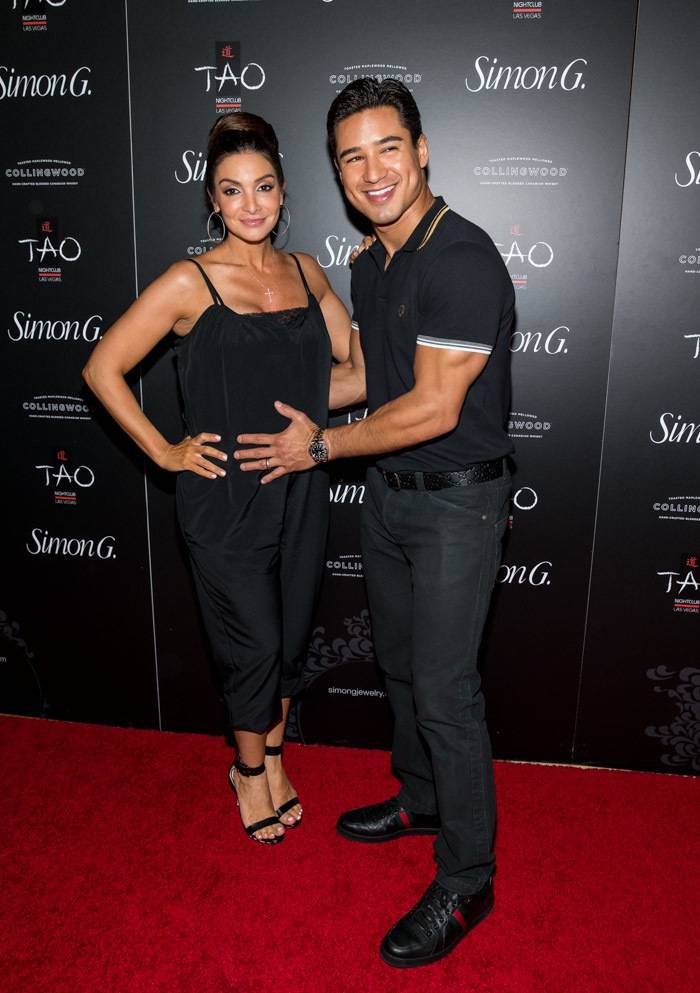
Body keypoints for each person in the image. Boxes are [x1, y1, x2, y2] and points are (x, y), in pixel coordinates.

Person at [233, 79, 514, 965]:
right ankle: (421, 797)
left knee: (445, 691)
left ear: (421, 150)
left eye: (388, 147)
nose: (372, 171)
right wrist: (267, 403)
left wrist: (319, 448)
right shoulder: (371, 261)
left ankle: (468, 877)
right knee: (398, 666)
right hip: (389, 497)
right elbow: (368, 381)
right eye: (351, 157)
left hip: (458, 502)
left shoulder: (463, 259)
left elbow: (431, 406)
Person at [83, 112, 358, 846]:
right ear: (213, 200)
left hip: (300, 487)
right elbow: (102, 367)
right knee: (253, 645)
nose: (251, 204)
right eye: (232, 190)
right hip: (224, 499)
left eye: (263, 186)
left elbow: (355, 371)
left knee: (290, 639)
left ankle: (276, 754)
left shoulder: (308, 273)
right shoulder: (190, 280)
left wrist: (313, 425)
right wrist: (163, 451)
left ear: (283, 191)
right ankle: (248, 770)